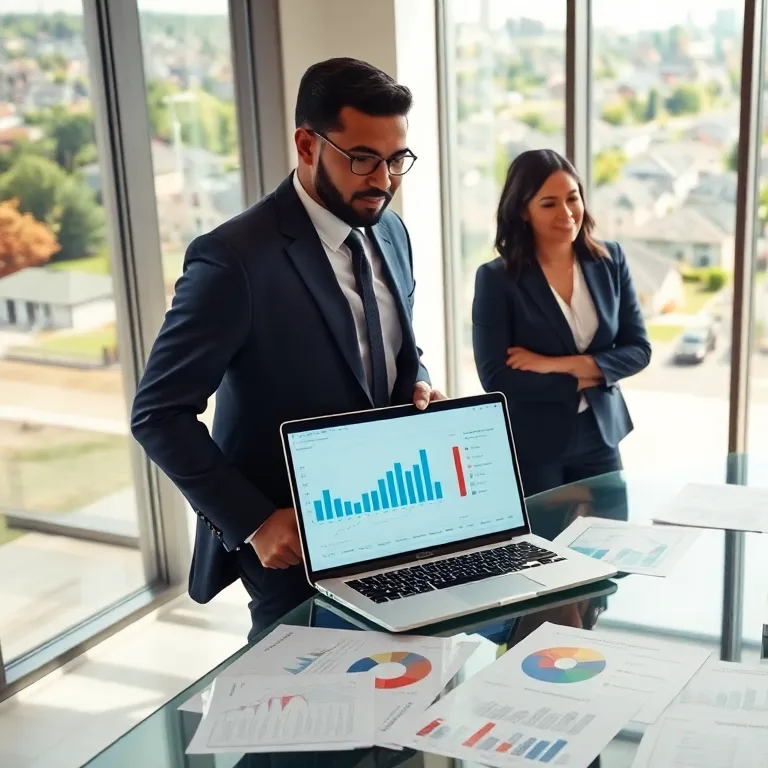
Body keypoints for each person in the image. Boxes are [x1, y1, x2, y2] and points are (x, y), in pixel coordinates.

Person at [130, 58, 445, 640]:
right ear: (306, 144)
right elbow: (158, 414)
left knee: (405, 674)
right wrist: (254, 523)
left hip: (390, 515)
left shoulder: (391, 230)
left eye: (396, 159)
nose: (383, 180)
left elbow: (395, 346)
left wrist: (417, 381)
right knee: (298, 688)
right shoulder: (233, 259)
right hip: (293, 540)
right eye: (362, 159)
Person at [473, 149, 651, 496]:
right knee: (548, 532)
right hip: (536, 445)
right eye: (549, 203)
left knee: (611, 528)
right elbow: (495, 377)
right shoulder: (497, 279)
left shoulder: (610, 260)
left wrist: (553, 365)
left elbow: (639, 350)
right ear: (523, 210)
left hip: (601, 434)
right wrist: (581, 379)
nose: (567, 213)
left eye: (572, 198)